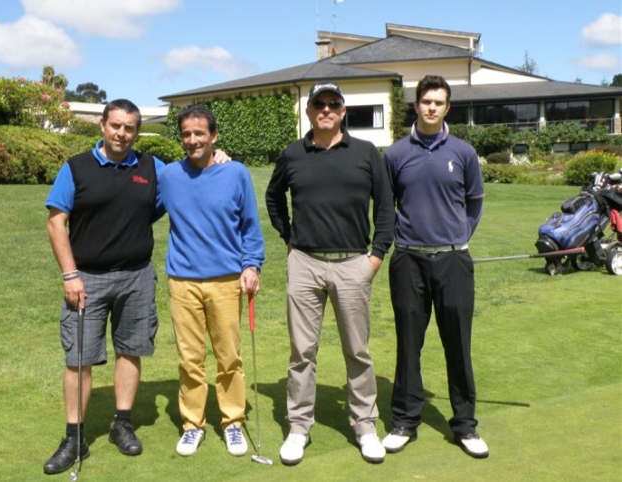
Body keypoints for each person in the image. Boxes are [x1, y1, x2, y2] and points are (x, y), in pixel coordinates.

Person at [265, 81, 395, 465]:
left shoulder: (366, 153)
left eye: (333, 104)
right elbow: (273, 198)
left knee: (357, 350)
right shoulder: (292, 154)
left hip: (354, 262)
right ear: (308, 112)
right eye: (318, 104)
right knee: (302, 351)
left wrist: (376, 255)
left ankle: (365, 425)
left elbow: (385, 206)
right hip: (305, 262)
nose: (325, 109)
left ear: (342, 111)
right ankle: (299, 426)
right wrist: (289, 238)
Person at [42, 99, 164, 475]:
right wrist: (69, 274)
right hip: (86, 279)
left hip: (137, 276)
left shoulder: (151, 167)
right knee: (79, 358)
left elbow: (184, 184)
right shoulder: (75, 167)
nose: (121, 134)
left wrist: (219, 156)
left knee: (131, 350)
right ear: (102, 125)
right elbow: (56, 222)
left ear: (137, 131)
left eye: (129, 128)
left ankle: (121, 424)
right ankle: (74, 437)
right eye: (115, 126)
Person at [380, 75, 488, 458]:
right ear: (416, 105)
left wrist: (459, 234)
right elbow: (385, 207)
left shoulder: (463, 153)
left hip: (454, 260)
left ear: (447, 108)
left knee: (458, 344)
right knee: (409, 344)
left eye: (438, 103)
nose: (431, 108)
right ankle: (405, 421)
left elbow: (474, 202)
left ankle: (465, 425)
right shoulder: (394, 155)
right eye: (426, 101)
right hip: (408, 260)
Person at [156, 105, 265, 457]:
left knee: (228, 357)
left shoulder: (236, 173)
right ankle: (192, 424)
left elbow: (250, 224)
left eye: (199, 133)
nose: (192, 140)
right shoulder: (168, 175)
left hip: (227, 280)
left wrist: (252, 265)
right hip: (183, 282)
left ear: (214, 136)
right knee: (189, 359)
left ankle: (233, 422)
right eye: (186, 134)